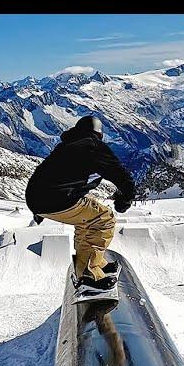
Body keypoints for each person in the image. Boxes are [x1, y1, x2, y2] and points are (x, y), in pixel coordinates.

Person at [25, 116, 135, 293]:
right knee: (104, 219)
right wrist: (125, 198)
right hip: (57, 199)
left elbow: (48, 176)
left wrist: (39, 208)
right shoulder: (92, 145)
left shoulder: (67, 145)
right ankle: (88, 275)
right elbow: (120, 173)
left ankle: (91, 264)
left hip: (40, 199)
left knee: (87, 217)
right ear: (98, 133)